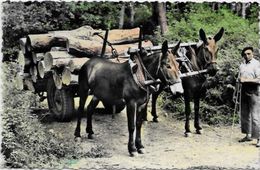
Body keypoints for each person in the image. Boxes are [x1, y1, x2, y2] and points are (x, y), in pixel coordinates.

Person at [238, 46, 260, 147]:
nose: (247, 56)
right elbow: (240, 78)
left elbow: (259, 79)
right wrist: (238, 80)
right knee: (244, 114)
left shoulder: (256, 64)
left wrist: (245, 80)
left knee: (255, 116)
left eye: (249, 54)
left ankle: (258, 138)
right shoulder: (242, 65)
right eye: (245, 54)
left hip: (254, 90)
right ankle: (248, 135)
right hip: (243, 90)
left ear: (252, 54)